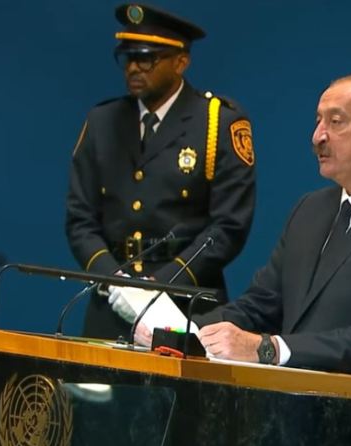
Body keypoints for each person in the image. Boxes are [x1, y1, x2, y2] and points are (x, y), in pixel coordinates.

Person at [138, 74, 351, 377]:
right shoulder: (311, 209)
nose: (317, 137)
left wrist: (268, 349)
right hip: (287, 404)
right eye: (318, 121)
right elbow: (259, 306)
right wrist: (180, 334)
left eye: (336, 122)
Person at [66, 4, 256, 340]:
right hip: (112, 300)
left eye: (147, 58)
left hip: (185, 299)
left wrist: (163, 283)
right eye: (127, 58)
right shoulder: (103, 122)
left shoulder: (216, 122)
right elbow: (80, 218)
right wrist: (113, 279)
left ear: (181, 62)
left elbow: (229, 226)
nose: (133, 68)